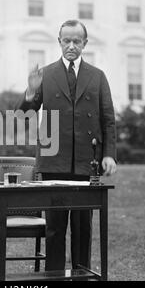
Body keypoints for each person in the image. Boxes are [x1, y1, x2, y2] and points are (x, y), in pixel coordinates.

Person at [16, 20, 117, 271]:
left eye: (77, 41)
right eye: (66, 41)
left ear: (85, 43)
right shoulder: (46, 75)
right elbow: (23, 116)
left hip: (88, 162)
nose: (71, 46)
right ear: (59, 41)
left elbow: (109, 120)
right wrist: (30, 93)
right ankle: (54, 276)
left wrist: (110, 155)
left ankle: (82, 274)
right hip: (54, 162)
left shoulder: (98, 76)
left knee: (83, 227)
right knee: (55, 227)